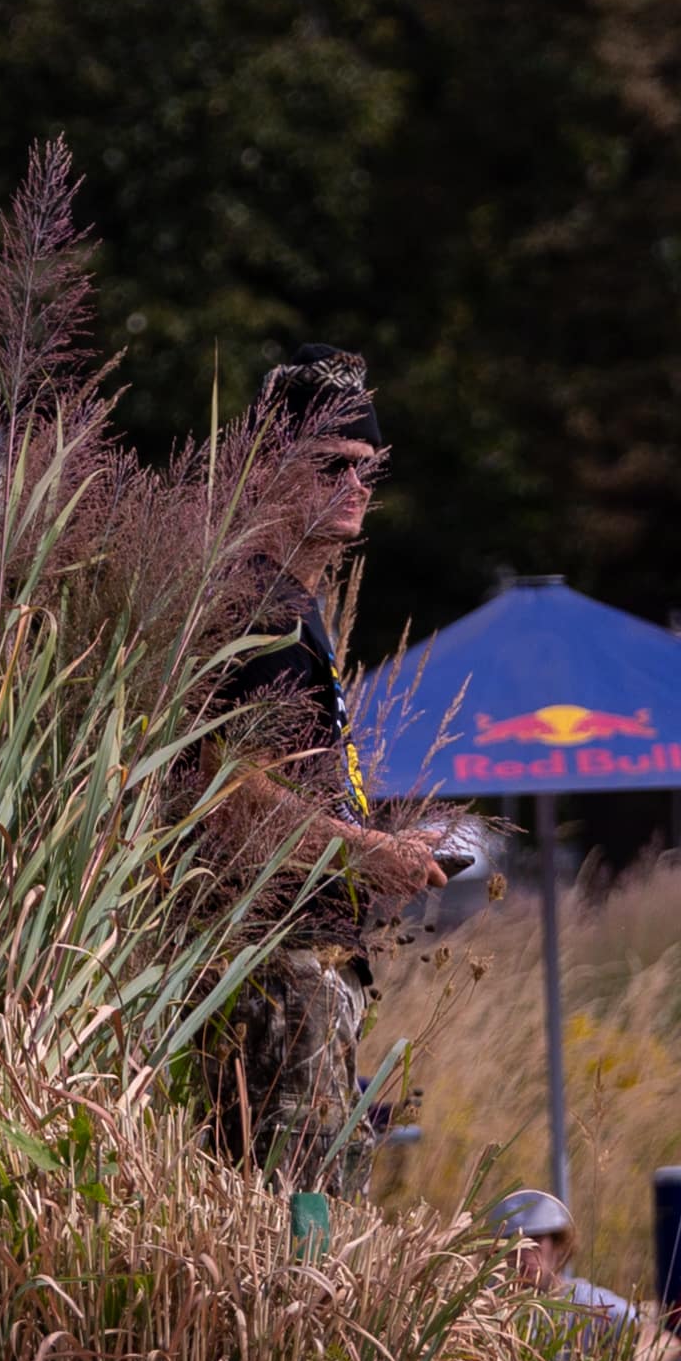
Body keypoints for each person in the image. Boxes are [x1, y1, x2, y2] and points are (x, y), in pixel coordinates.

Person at [202, 347, 466, 1191]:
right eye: (330, 464)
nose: (355, 485)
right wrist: (365, 852)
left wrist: (381, 840)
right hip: (278, 959)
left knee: (312, 1199)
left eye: (368, 468)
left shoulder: (291, 601)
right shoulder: (257, 605)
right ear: (272, 469)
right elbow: (230, 792)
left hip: (310, 957)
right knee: (296, 1213)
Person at [492, 1186, 635, 1326]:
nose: (524, 1252)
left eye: (535, 1240)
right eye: (513, 1243)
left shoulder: (587, 1304)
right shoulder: (490, 1311)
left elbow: (641, 1329)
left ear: (558, 1244)